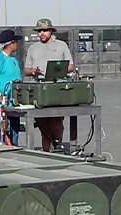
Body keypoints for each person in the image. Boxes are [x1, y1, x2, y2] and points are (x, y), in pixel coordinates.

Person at [24, 18, 75, 151]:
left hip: (57, 88)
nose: (42, 33)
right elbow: (26, 70)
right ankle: (47, 151)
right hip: (39, 89)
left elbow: (71, 66)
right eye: (39, 31)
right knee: (43, 125)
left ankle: (57, 148)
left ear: (51, 31)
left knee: (56, 123)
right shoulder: (32, 48)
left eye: (44, 30)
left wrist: (60, 70)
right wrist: (32, 71)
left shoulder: (61, 46)